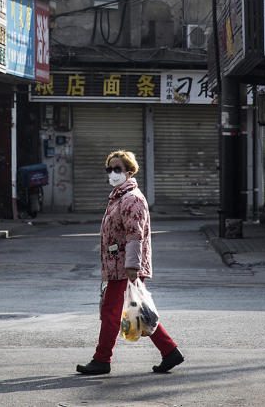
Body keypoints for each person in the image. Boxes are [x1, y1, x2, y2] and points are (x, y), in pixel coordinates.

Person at [75, 150, 184, 376]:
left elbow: (134, 234)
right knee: (139, 311)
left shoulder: (131, 198)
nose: (113, 173)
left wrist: (132, 267)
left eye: (118, 169)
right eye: (109, 169)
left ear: (129, 171)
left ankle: (102, 359)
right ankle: (170, 351)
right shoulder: (118, 197)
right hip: (118, 266)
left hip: (125, 267)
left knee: (111, 313)